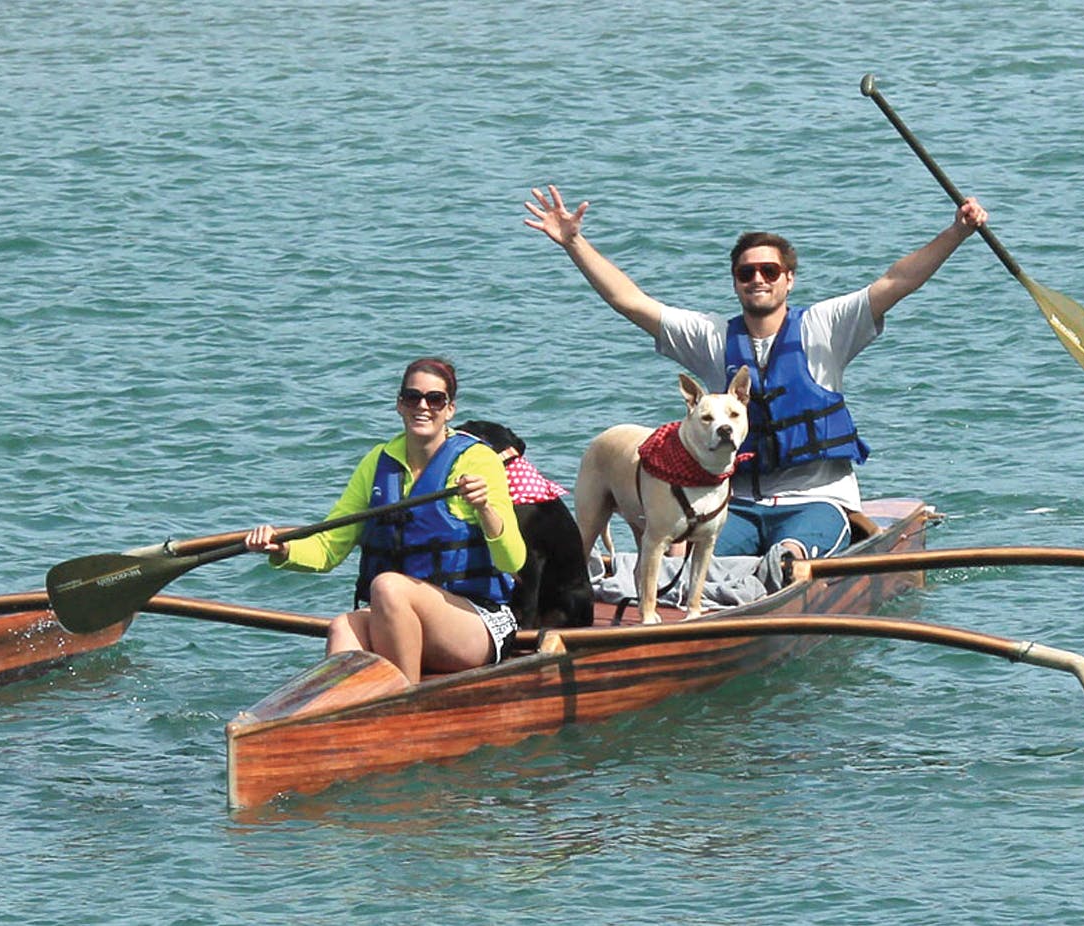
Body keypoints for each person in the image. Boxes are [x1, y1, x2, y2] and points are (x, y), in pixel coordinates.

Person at [524, 184, 987, 561]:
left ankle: (789, 571)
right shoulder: (711, 338)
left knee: (788, 558)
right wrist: (574, 243)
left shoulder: (826, 326)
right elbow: (630, 301)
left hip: (818, 499)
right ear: (736, 283)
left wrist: (955, 233)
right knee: (687, 563)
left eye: (769, 270)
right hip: (736, 505)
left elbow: (896, 282)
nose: (758, 279)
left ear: (789, 279)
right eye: (747, 273)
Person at [245, 357, 526, 684]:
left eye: (435, 399)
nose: (423, 407)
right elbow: (328, 549)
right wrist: (282, 550)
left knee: (388, 586)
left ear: (450, 409)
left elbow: (513, 560)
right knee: (343, 626)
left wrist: (484, 509)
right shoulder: (377, 463)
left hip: (476, 621)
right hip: (401, 618)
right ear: (399, 405)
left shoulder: (478, 460)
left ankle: (402, 702)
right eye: (412, 397)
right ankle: (334, 716)